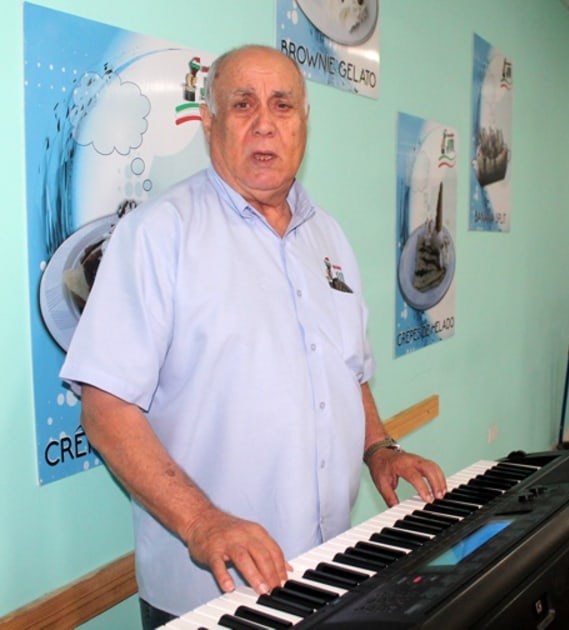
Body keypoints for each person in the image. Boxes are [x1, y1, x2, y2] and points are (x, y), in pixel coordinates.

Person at [60, 44, 447, 628]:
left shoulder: (330, 237)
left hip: (327, 572)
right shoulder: (157, 235)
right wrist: (203, 522)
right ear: (209, 123)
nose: (265, 122)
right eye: (242, 104)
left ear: (303, 123)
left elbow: (347, 369)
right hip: (209, 599)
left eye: (282, 104)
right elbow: (105, 408)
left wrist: (379, 449)